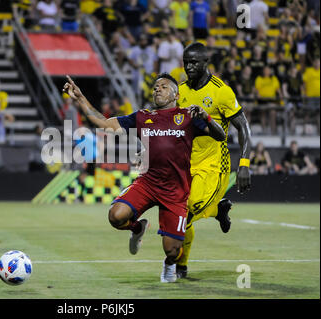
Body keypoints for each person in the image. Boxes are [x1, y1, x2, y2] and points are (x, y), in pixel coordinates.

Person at [63, 73, 226, 283]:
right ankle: (137, 227)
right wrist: (80, 97)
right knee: (116, 216)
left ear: (176, 94)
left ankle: (169, 264)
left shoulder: (188, 117)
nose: (157, 89)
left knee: (172, 250)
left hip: (175, 191)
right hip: (148, 183)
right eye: (155, 86)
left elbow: (221, 136)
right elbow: (102, 122)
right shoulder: (142, 117)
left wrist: (207, 117)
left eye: (164, 86)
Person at [176, 42, 252, 278]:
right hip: (187, 163)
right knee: (177, 213)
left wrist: (244, 165)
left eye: (194, 62)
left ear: (205, 63)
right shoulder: (180, 91)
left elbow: (243, 128)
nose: (188, 67)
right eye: (185, 62)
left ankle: (178, 267)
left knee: (184, 212)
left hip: (214, 163)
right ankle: (217, 209)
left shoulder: (221, 91)